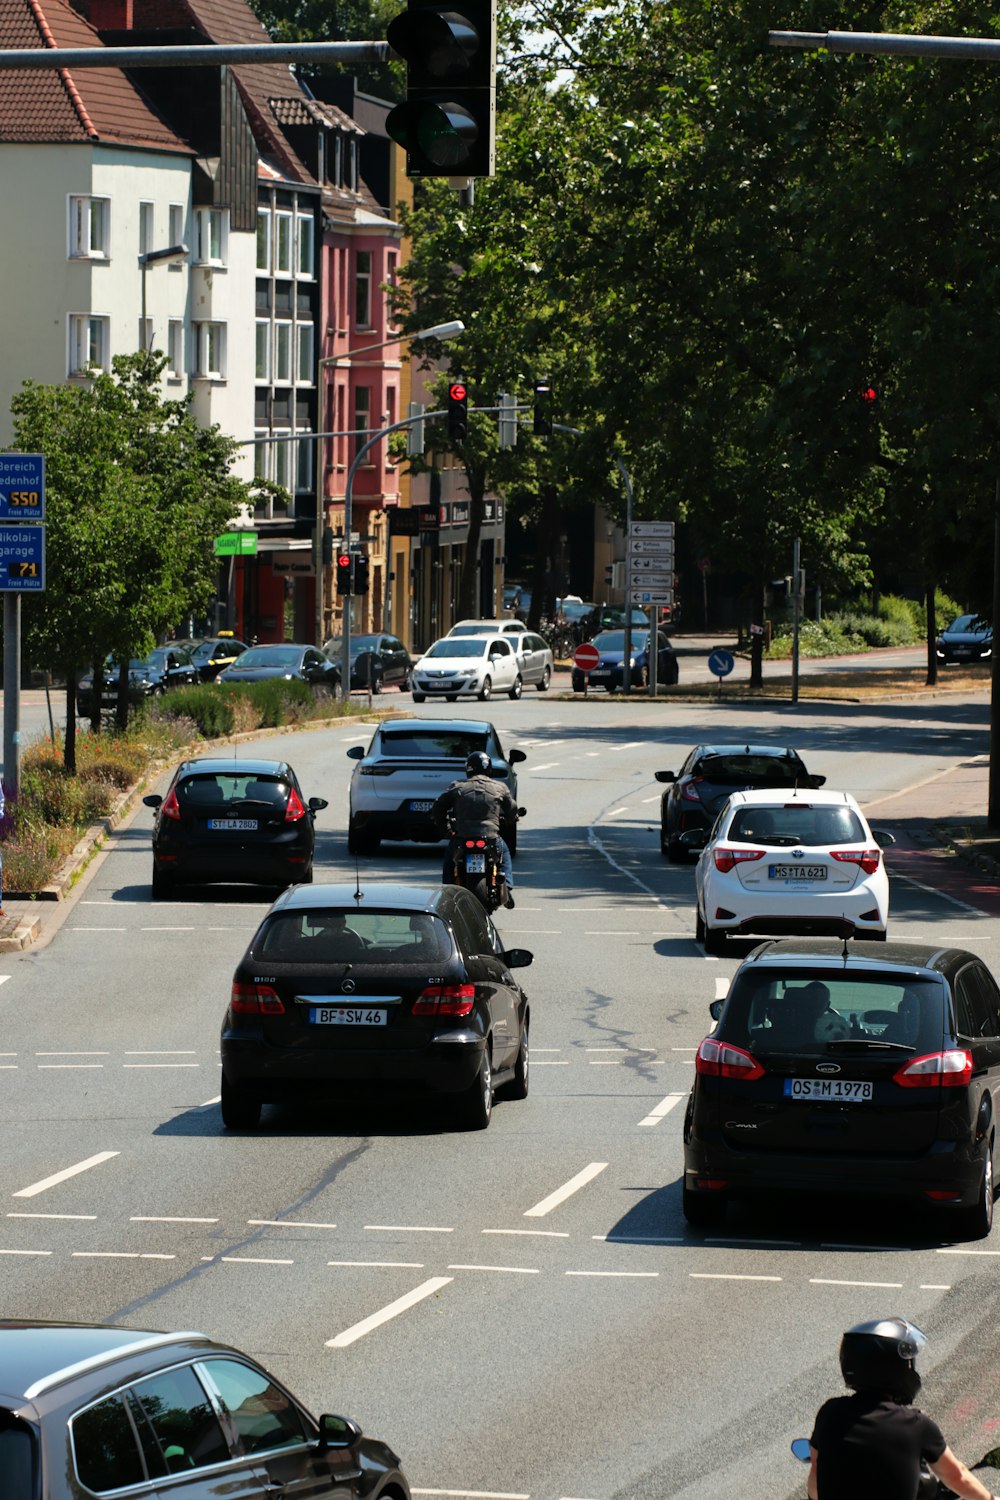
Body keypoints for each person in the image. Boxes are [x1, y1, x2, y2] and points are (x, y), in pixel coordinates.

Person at [808, 1317, 999, 1500]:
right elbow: (957, 1477)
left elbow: (815, 1482)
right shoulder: (916, 1425)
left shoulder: (829, 1414)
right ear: (893, 1367)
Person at [433, 751, 517, 908]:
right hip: (491, 838)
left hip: (462, 838)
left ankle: (446, 893)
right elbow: (512, 810)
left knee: (449, 861)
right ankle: (508, 887)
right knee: (504, 852)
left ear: (469, 769)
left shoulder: (457, 786)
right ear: (489, 769)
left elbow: (437, 808)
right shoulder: (500, 787)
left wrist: (447, 830)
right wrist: (510, 820)